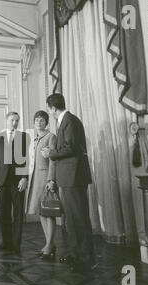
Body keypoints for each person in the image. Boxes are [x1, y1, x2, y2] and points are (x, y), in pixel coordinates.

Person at [42, 93, 94, 272]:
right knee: (73, 218)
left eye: (49, 109)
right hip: (71, 175)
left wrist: (51, 152)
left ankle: (83, 256)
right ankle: (78, 253)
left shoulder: (69, 121)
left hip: (73, 175)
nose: (50, 112)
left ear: (53, 108)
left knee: (77, 217)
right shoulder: (67, 120)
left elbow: (70, 147)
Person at [0, 112, 30, 256]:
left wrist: (25, 178)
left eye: (17, 120)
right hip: (2, 181)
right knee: (4, 213)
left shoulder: (23, 137)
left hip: (18, 180)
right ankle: (6, 242)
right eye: (12, 120)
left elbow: (26, 160)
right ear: (6, 120)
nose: (15, 123)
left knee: (18, 213)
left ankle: (16, 243)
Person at [26, 110, 57, 259]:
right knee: (41, 212)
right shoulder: (35, 139)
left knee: (48, 212)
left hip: (45, 177)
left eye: (42, 120)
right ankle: (49, 244)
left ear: (47, 122)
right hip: (36, 178)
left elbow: (53, 160)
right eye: (37, 120)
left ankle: (50, 245)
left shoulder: (51, 137)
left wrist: (51, 179)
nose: (39, 122)